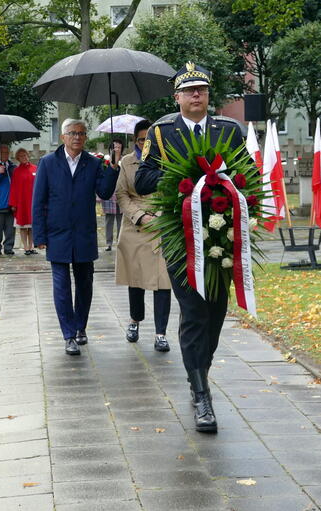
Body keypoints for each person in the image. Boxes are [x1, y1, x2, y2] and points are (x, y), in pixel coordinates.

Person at [134, 62, 245, 433]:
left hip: (222, 234)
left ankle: (201, 370)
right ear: (177, 97)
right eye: (189, 91)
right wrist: (183, 178)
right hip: (181, 237)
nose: (196, 95)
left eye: (201, 90)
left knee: (215, 312)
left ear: (208, 95)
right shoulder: (163, 132)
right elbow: (143, 175)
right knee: (194, 311)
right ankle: (201, 393)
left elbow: (248, 175)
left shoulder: (228, 130)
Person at [33, 118, 120, 356]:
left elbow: (104, 191)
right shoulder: (48, 163)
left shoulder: (92, 164)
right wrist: (39, 235)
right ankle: (68, 335)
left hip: (84, 234)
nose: (77, 137)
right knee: (61, 286)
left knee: (85, 285)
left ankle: (81, 327)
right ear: (63, 137)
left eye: (81, 133)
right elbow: (38, 201)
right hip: (57, 234)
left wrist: (113, 167)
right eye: (72, 133)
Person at [115, 119, 172, 353]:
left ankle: (161, 333)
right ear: (135, 141)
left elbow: (173, 189)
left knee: (163, 282)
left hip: (161, 223)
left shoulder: (166, 161)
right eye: (141, 139)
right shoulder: (127, 162)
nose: (145, 143)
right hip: (135, 226)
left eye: (149, 139)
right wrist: (139, 216)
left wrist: (159, 214)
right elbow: (121, 195)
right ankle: (134, 320)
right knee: (135, 278)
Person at [8, 148, 36, 255]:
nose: (24, 157)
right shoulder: (16, 171)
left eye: (25, 155)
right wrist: (13, 204)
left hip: (33, 201)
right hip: (21, 202)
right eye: (21, 156)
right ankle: (26, 248)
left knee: (32, 225)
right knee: (23, 226)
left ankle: (32, 246)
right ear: (18, 159)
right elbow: (13, 188)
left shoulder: (35, 169)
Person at [101, 138, 124, 251]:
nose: (117, 149)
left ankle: (120, 242)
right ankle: (108, 243)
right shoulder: (104, 162)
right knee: (109, 220)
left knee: (121, 219)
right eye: (115, 147)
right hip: (109, 196)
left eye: (119, 147)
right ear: (111, 149)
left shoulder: (124, 162)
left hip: (120, 194)